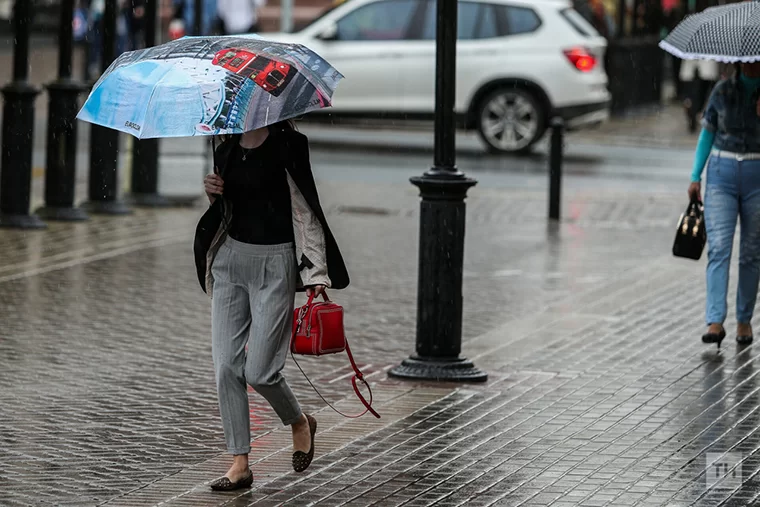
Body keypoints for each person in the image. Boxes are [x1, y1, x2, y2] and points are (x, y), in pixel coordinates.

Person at [201, 121, 350, 491]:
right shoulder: (225, 145)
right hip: (230, 262)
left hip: (275, 264)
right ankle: (240, 462)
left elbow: (304, 211)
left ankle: (299, 421)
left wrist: (316, 274)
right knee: (226, 368)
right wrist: (213, 193)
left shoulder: (289, 144)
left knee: (261, 371)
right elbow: (229, 209)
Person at [689, 62, 760, 349]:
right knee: (719, 246)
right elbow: (707, 132)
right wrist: (695, 175)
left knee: (752, 252)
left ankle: (744, 319)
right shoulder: (722, 90)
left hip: (757, 176)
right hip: (721, 176)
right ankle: (715, 320)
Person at [681, 59, 719, 133]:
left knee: (696, 91)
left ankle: (693, 109)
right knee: (700, 90)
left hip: (696, 62)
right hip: (702, 61)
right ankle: (695, 110)